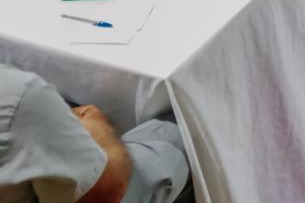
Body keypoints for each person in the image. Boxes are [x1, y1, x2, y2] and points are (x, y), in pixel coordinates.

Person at [0, 64, 191, 203]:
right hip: (99, 190)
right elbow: (109, 190)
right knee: (182, 127)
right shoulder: (19, 94)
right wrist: (101, 133)